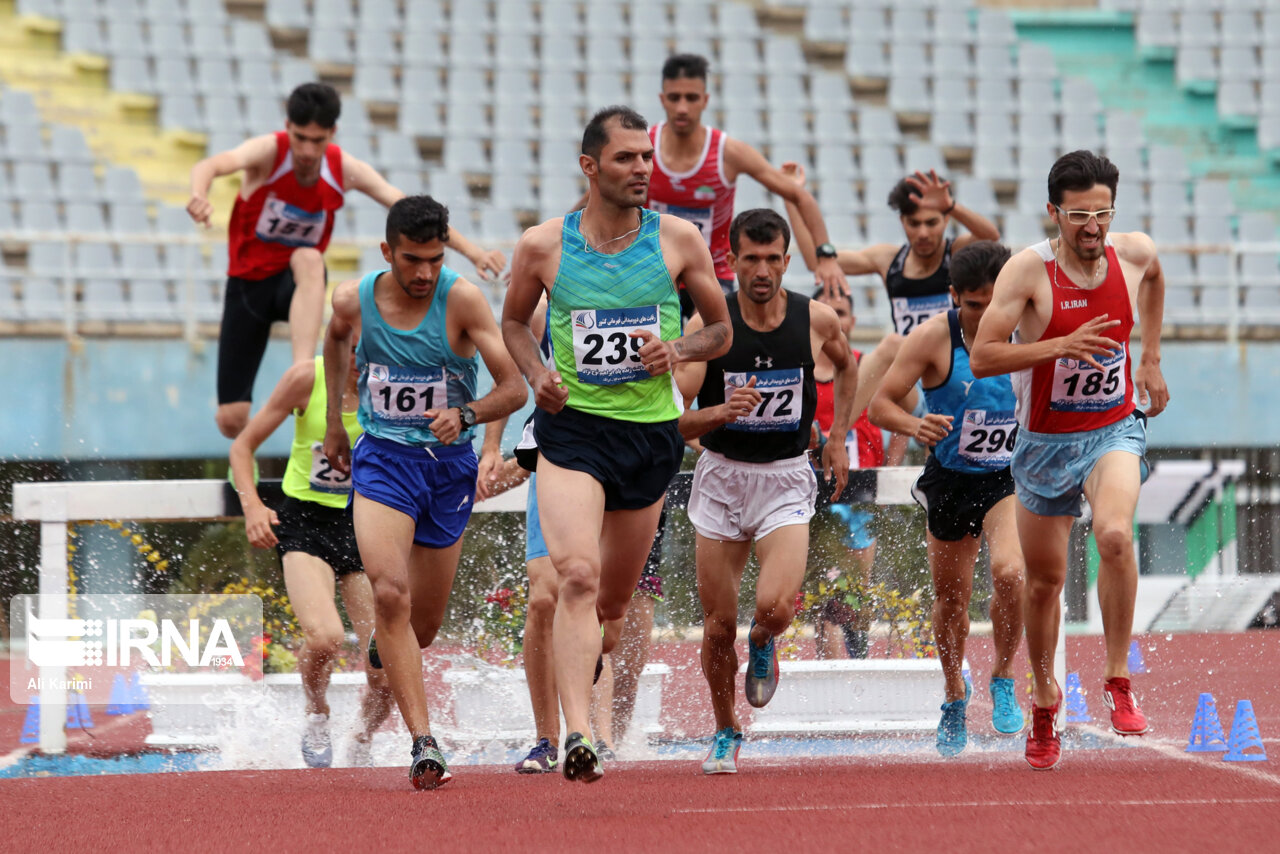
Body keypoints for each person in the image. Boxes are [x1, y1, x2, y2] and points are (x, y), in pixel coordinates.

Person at [502, 106, 731, 783]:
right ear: (590, 165)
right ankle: (579, 734)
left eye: (646, 157)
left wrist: (676, 347)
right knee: (575, 575)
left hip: (650, 438)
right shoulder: (544, 245)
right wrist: (538, 373)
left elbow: (719, 332)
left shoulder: (679, 240)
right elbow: (514, 323)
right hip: (573, 432)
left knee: (612, 608)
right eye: (627, 157)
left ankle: (587, 669)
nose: (642, 168)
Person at [969, 150, 1169, 771]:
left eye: (1102, 214)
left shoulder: (1132, 253)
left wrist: (1153, 357)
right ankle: (1045, 699)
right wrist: (1059, 345)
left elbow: (1156, 276)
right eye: (1079, 215)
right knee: (1045, 581)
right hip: (1044, 444)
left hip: (1113, 428)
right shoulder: (1027, 273)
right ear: (1054, 212)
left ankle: (1117, 678)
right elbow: (982, 356)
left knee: (1113, 534)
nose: (1092, 227)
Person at [322, 195, 527, 789]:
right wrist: (339, 418)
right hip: (384, 461)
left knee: (423, 626)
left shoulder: (460, 299)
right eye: (412, 260)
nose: (423, 273)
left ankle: (393, 651)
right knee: (390, 595)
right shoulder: (353, 299)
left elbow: (513, 389)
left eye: (434, 260)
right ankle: (424, 742)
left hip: (447, 469)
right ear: (387, 252)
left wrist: (465, 415)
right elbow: (336, 339)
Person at [188, 82, 507, 439]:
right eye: (300, 138)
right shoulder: (268, 153)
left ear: (332, 134)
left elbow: (407, 211)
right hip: (248, 286)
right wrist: (199, 194)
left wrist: (474, 252)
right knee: (231, 421)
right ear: (287, 127)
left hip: (298, 283)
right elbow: (211, 164)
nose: (308, 151)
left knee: (308, 258)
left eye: (318, 140)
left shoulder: (342, 168)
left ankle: (303, 372)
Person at [675, 208, 855, 775]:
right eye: (749, 259)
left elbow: (848, 369)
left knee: (773, 608)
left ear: (786, 260)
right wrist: (719, 412)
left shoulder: (815, 320)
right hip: (723, 477)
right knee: (717, 626)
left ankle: (765, 642)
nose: (761, 270)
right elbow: (673, 421)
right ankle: (726, 730)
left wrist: (839, 437)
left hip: (784, 477)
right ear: (730, 261)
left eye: (772, 259)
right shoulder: (708, 327)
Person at [869, 241, 1027, 756]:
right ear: (955, 295)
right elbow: (880, 404)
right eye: (974, 304)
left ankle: (1003, 676)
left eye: (994, 302)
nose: (985, 316)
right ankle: (955, 693)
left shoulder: (1028, 329)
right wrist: (915, 423)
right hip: (951, 479)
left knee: (1009, 573)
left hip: (1006, 477)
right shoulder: (934, 338)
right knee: (952, 600)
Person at [228, 347, 393, 768]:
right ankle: (317, 711)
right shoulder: (307, 378)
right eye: (351, 348)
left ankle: (362, 737)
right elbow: (242, 447)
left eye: (369, 348)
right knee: (325, 637)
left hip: (366, 522)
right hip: (305, 522)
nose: (359, 358)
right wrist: (252, 508)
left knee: (387, 662)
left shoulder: (394, 384)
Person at [781, 162, 1000, 419]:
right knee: (893, 346)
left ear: (946, 219)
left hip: (951, 374)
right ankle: (835, 435)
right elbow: (815, 262)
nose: (923, 233)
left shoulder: (956, 254)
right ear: (902, 221)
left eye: (932, 223)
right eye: (914, 224)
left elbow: (990, 237)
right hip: (911, 382)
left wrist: (950, 204)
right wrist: (791, 196)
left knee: (898, 345)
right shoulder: (889, 260)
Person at [647, 54, 848, 307]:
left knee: (706, 337)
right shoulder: (644, 148)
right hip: (655, 275)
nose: (682, 108)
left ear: (706, 100)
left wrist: (826, 255)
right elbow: (599, 196)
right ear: (662, 99)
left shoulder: (727, 153)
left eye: (692, 97)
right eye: (674, 98)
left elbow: (800, 196)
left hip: (712, 278)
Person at [809, 286, 908, 660]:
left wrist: (890, 475)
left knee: (855, 595)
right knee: (827, 595)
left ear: (851, 320)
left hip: (863, 493)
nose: (836, 317)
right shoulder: (804, 372)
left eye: (842, 311)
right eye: (828, 310)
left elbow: (901, 413)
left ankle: (856, 664)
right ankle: (831, 678)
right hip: (821, 494)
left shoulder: (869, 369)